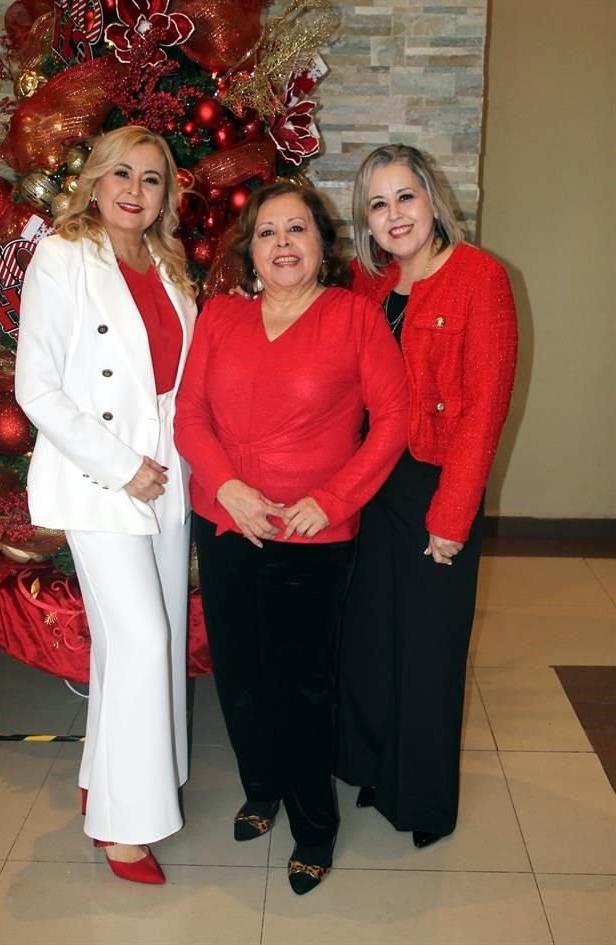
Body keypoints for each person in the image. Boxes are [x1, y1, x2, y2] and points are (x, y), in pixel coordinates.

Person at [174, 180, 409, 894]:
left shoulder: (353, 318)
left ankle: (315, 826)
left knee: (301, 686)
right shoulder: (219, 316)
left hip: (313, 534)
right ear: (250, 252)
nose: (283, 243)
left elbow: (393, 421)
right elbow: (189, 416)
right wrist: (228, 487)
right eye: (268, 232)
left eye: (297, 230)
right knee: (241, 676)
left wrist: (333, 497)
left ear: (320, 245)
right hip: (228, 523)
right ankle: (263, 783)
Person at [15, 125, 196, 884]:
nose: (135, 189)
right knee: (144, 638)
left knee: (147, 640)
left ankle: (111, 775)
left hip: (168, 471)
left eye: (152, 179)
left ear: (166, 197)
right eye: (122, 172)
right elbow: (36, 388)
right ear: (94, 179)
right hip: (102, 478)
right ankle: (124, 828)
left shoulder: (167, 263)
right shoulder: (61, 258)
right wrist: (124, 468)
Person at [336, 144, 518, 847]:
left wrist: (452, 516)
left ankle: (424, 800)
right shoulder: (369, 281)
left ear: (431, 197)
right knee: (373, 637)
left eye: (404, 196)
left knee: (431, 646)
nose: (394, 214)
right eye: (378, 204)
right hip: (374, 483)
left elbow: (484, 408)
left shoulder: (481, 278)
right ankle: (376, 767)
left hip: (437, 483)